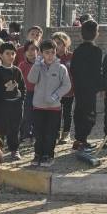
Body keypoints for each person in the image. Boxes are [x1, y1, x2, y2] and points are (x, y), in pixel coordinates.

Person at [28, 39, 70, 169]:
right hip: (38, 106)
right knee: (39, 132)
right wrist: (36, 64)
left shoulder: (61, 68)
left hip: (54, 108)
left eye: (53, 52)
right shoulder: (38, 66)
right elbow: (31, 79)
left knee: (50, 133)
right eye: (47, 52)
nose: (50, 55)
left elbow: (67, 85)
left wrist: (56, 96)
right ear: (41, 53)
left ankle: (48, 155)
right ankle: (38, 154)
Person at [70, 20, 103, 164]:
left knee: (79, 110)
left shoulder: (77, 51)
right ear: (95, 34)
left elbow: (73, 69)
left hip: (79, 86)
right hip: (90, 87)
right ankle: (82, 140)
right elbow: (97, 71)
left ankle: (79, 138)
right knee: (89, 113)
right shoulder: (97, 51)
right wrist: (99, 86)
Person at [0, 42, 24, 161]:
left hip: (15, 105)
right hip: (2, 106)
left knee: (14, 129)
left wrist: (20, 99)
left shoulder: (17, 71)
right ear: (1, 55)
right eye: (7, 53)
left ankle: (14, 150)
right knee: (0, 130)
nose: (11, 56)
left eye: (13, 53)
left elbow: (22, 87)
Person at [52, 32, 75, 145]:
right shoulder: (51, 58)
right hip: (55, 91)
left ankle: (66, 133)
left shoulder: (72, 56)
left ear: (65, 44)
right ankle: (55, 132)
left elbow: (75, 73)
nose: (57, 46)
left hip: (68, 91)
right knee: (56, 112)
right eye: (55, 43)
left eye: (59, 43)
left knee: (67, 113)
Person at [18, 41, 37, 140]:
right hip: (27, 93)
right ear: (24, 52)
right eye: (28, 50)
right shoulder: (22, 65)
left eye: (33, 49)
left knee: (36, 114)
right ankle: (25, 134)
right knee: (27, 114)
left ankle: (35, 133)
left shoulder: (40, 65)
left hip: (38, 93)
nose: (31, 52)